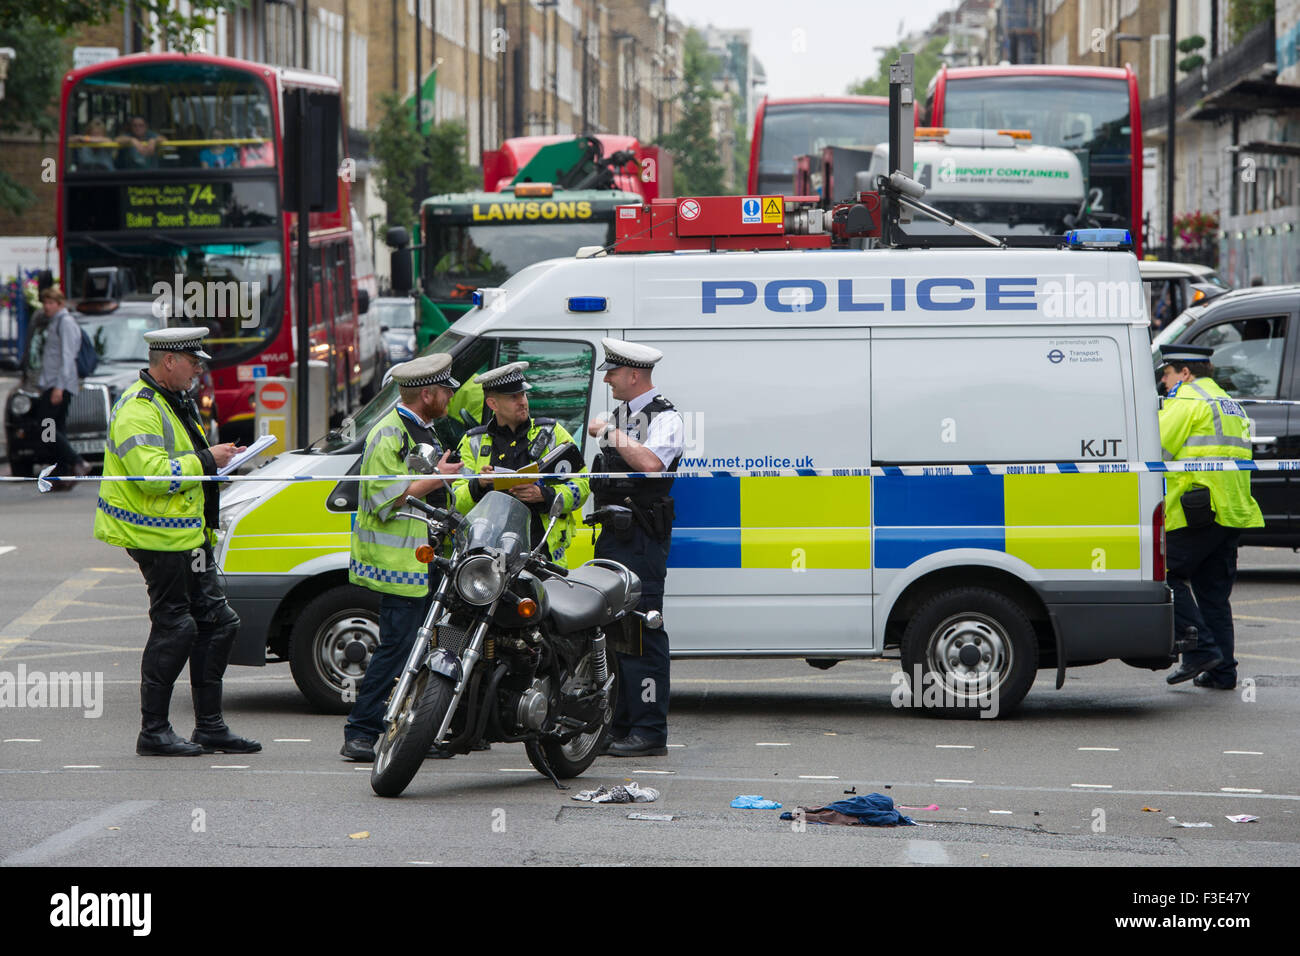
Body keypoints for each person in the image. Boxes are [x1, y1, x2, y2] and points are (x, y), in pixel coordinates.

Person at [92, 328, 257, 755]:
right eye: (193, 362)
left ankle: (211, 727)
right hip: (156, 537)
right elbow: (151, 476)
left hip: (188, 535)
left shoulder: (174, 400)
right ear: (169, 362)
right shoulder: (139, 409)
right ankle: (154, 732)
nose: (199, 369)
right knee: (175, 626)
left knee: (219, 623)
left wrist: (219, 462)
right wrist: (208, 459)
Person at [341, 354, 463, 762]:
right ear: (427, 393)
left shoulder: (425, 429)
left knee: (434, 646)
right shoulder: (389, 432)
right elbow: (382, 497)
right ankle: (360, 731)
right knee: (397, 648)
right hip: (402, 566)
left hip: (433, 561)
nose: (450, 397)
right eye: (445, 390)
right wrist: (440, 477)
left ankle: (416, 730)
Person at [586, 338, 683, 757]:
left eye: (612, 372)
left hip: (642, 539)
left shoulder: (667, 418)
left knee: (644, 631)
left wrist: (609, 432)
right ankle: (620, 725)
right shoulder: (623, 416)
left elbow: (651, 464)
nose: (606, 379)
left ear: (633, 375)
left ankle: (648, 731)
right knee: (615, 636)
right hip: (613, 536)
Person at [1157, 344, 1264, 690]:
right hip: (1231, 510)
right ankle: (1222, 671)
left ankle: (1201, 650)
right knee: (1213, 595)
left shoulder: (1188, 398)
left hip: (1198, 511)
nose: (1163, 379)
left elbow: (1155, 447)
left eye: (1167, 372)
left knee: (1161, 573)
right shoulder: (1229, 402)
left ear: (1185, 373)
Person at [452, 361, 589, 564]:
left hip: (542, 553)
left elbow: (582, 486)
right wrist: (478, 485)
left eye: (523, 394)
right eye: (512, 397)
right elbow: (455, 500)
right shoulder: (473, 441)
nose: (522, 401)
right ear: (493, 404)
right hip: (488, 554)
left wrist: (544, 495)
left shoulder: (553, 433)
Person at [35, 286, 90, 489]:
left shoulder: (65, 323)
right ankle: (63, 475)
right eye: (45, 303)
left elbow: (68, 358)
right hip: (53, 384)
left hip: (59, 385)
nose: (46, 307)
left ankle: (77, 461)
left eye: (50, 303)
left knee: (45, 427)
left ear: (60, 304)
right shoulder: (56, 323)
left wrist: (58, 387)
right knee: (57, 429)